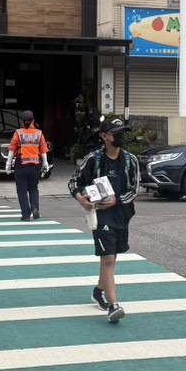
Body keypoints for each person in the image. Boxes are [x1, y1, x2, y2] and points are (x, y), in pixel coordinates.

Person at [70, 117, 139, 323]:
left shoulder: (130, 160)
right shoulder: (94, 159)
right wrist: (81, 198)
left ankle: (99, 291)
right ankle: (114, 306)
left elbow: (134, 189)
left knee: (112, 257)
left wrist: (116, 200)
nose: (120, 136)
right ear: (104, 136)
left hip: (122, 214)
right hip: (100, 215)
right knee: (108, 259)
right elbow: (74, 182)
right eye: (115, 132)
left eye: (122, 132)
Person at [5, 110, 50, 221]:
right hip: (35, 165)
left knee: (22, 190)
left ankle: (25, 215)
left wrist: (8, 164)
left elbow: (11, 149)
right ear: (33, 120)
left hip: (21, 165)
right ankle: (35, 208)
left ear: (22, 121)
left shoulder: (18, 133)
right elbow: (43, 150)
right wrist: (45, 163)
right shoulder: (39, 133)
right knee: (33, 188)